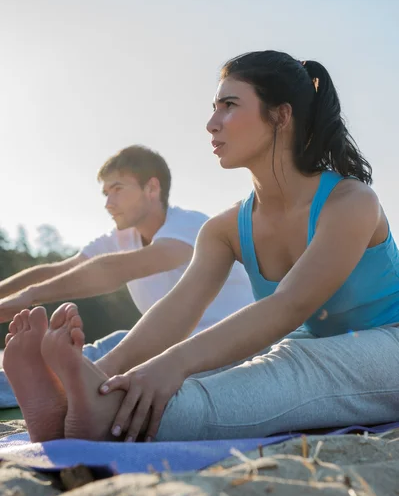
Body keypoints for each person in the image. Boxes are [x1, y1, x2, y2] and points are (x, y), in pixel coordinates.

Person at [5, 50, 399, 445]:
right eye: (214, 108)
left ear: (281, 115)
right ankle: (85, 407)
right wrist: (101, 373)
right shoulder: (225, 228)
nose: (211, 124)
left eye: (229, 106)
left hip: (389, 344)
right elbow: (176, 313)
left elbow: (288, 306)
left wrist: (171, 365)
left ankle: (115, 419)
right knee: (215, 365)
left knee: (291, 365)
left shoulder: (350, 202)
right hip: (319, 341)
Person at [0, 145, 254, 407]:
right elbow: (61, 270)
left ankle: (74, 399)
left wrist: (29, 297)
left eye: (118, 189)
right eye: (106, 193)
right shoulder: (123, 236)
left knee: (104, 368)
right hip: (162, 343)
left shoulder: (189, 226)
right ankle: (48, 392)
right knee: (81, 355)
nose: (108, 203)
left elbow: (117, 270)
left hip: (226, 348)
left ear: (152, 188)